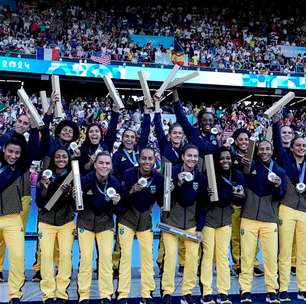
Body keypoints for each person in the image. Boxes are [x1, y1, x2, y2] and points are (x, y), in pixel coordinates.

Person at [239, 140, 287, 304]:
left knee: (271, 258)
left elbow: (281, 196)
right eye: (261, 149)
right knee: (247, 257)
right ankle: (245, 289)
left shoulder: (280, 171)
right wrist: (241, 162)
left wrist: (278, 187)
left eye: (267, 149)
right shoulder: (250, 166)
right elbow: (239, 177)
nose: (265, 151)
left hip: (269, 220)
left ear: (272, 150)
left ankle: (272, 290)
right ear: (257, 151)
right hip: (248, 218)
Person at [116, 147, 164, 304]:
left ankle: (147, 293)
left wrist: (168, 192)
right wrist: (131, 191)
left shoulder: (158, 178)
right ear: (139, 159)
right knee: (125, 258)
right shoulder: (129, 174)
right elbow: (120, 200)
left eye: (150, 159)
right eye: (144, 158)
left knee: (147, 258)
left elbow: (162, 203)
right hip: (127, 220)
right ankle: (123, 293)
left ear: (154, 160)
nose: (147, 162)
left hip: (145, 222)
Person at [161, 144, 206, 304]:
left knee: (193, 257)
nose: (192, 159)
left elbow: (202, 204)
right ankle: (167, 291)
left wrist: (200, 228)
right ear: (183, 157)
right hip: (171, 222)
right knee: (171, 257)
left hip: (191, 224)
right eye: (189, 155)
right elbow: (163, 199)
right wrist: (177, 184)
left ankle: (187, 291)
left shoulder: (200, 177)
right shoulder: (171, 172)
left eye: (195, 156)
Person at [200, 147, 245, 304]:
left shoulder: (237, 174)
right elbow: (206, 199)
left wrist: (240, 197)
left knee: (223, 257)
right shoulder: (210, 175)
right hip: (209, 219)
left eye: (228, 158)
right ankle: (206, 291)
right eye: (222, 158)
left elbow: (239, 199)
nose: (225, 161)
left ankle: (223, 291)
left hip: (225, 219)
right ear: (216, 160)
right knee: (207, 256)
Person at [77, 151, 123, 304]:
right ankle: (83, 295)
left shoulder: (115, 183)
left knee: (105, 260)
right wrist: (106, 202)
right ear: (95, 165)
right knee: (85, 259)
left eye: (107, 163)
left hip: (106, 225)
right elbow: (88, 206)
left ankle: (106, 294)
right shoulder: (85, 181)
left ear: (111, 166)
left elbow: (119, 211)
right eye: (101, 163)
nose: (104, 166)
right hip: (85, 223)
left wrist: (116, 204)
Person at [0, 131, 39, 304]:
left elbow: (32, 149)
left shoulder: (20, 166)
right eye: (10, 152)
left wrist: (35, 126)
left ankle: (15, 294)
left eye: (17, 153)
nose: (13, 156)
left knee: (17, 256)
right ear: (3, 149)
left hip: (13, 218)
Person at [35, 148, 75, 304]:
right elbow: (40, 202)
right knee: (46, 257)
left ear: (68, 158)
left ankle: (62, 293)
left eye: (64, 156)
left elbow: (76, 203)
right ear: (53, 158)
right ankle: (48, 294)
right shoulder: (45, 174)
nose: (61, 159)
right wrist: (44, 188)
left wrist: (71, 194)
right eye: (57, 156)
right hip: (46, 222)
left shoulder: (74, 175)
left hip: (67, 222)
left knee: (65, 256)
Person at [153, 96, 186, 276]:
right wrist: (158, 106)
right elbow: (158, 127)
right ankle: (162, 261)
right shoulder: (165, 147)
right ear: (170, 135)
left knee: (183, 227)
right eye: (174, 133)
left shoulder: (186, 150)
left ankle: (182, 262)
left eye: (180, 133)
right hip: (167, 193)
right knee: (166, 228)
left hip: (183, 192)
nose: (177, 136)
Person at [275, 135, 306, 302]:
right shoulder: (286, 162)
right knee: (285, 252)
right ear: (292, 148)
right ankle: (284, 288)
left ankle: (303, 288)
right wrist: (276, 123)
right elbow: (279, 146)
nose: (301, 148)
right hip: (287, 209)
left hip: (305, 212)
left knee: (304, 254)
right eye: (298, 145)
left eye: (304, 145)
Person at [229, 128, 263, 277]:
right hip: (236, 201)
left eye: (246, 139)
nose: (243, 142)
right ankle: (238, 264)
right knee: (236, 234)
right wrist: (236, 163)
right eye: (240, 139)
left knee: (252, 234)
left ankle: (253, 263)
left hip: (252, 202)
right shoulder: (230, 156)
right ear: (235, 141)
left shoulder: (256, 157)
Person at [79, 106, 120, 174]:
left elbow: (112, 128)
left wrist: (115, 112)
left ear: (101, 134)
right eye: (91, 131)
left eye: (97, 131)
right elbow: (82, 169)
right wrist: (90, 162)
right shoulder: (83, 148)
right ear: (87, 135)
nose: (94, 133)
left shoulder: (106, 144)